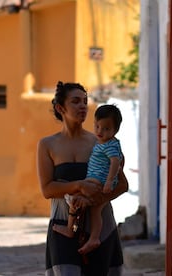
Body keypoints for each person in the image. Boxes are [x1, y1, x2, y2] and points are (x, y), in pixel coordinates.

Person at [37, 81, 128, 275]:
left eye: (85, 101)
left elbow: (122, 184)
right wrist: (79, 186)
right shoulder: (47, 145)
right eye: (76, 101)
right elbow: (47, 190)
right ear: (60, 108)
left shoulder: (102, 142)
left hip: (100, 227)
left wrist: (97, 200)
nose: (83, 106)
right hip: (63, 224)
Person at [53, 104, 123, 255]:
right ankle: (90, 237)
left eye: (106, 129)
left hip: (99, 181)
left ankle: (73, 230)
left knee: (77, 200)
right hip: (96, 179)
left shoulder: (111, 145)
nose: (100, 131)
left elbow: (116, 163)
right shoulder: (101, 143)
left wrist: (110, 181)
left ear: (115, 131)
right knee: (94, 211)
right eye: (97, 126)